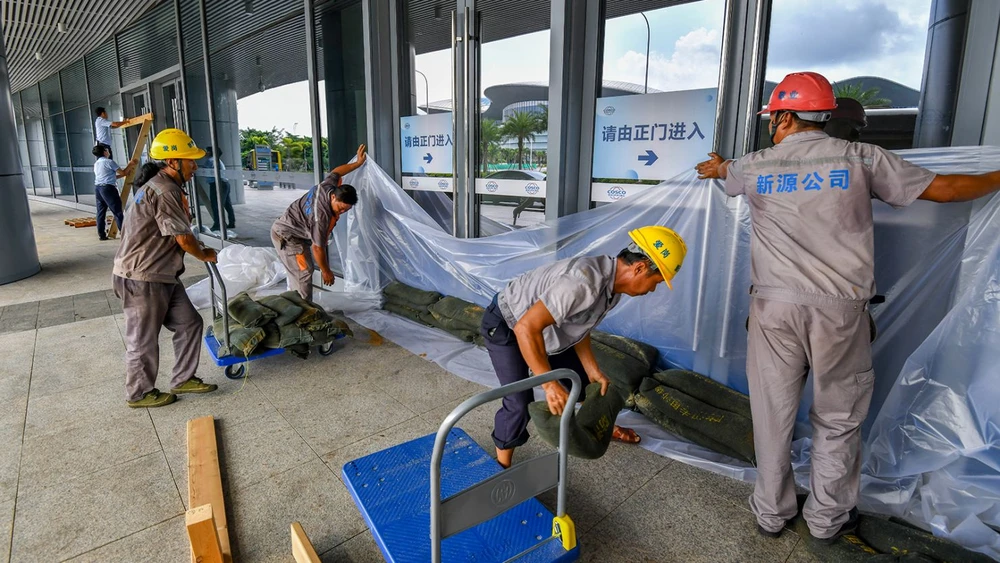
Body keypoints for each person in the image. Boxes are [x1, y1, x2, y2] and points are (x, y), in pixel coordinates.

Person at [695, 71, 1000, 544]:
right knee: (838, 420)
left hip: (774, 311)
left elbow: (724, 173)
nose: (772, 127)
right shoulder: (860, 158)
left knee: (772, 416)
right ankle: (826, 521)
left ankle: (771, 514)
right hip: (839, 314)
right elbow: (945, 189)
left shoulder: (756, 165)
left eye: (774, 118)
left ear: (786, 116)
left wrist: (718, 166)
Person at [481, 226, 687, 469]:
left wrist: (592, 369)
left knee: (585, 384)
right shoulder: (584, 283)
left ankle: (591, 427)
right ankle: (501, 467)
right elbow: (526, 328)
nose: (653, 289)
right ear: (640, 268)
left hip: (542, 329)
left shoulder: (611, 288)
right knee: (518, 403)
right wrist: (548, 384)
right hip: (508, 324)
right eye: (656, 281)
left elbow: (579, 325)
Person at [112, 128, 220, 408]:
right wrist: (204, 253)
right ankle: (139, 394)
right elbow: (183, 238)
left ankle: (183, 378)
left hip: (162, 274)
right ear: (173, 162)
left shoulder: (163, 186)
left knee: (190, 323)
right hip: (142, 277)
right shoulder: (165, 190)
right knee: (143, 339)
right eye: (190, 160)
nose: (195, 165)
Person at [271, 144, 367, 301]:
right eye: (340, 208)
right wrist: (326, 271)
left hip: (295, 229)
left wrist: (357, 163)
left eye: (346, 210)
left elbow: (337, 171)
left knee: (299, 272)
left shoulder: (328, 187)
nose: (341, 212)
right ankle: (303, 314)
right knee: (304, 273)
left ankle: (295, 302)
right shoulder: (321, 217)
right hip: (288, 236)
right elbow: (317, 248)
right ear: (334, 198)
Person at [92, 144, 137, 241]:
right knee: (117, 212)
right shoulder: (109, 162)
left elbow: (111, 176)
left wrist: (123, 175)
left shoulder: (96, 164)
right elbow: (123, 173)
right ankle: (125, 235)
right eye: (107, 150)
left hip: (98, 188)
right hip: (108, 189)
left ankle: (102, 235)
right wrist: (131, 164)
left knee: (100, 212)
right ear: (104, 152)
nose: (108, 151)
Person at [204, 146, 236, 235]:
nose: (205, 153)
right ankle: (231, 222)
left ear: (210, 152)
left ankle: (218, 224)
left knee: (216, 205)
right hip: (225, 183)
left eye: (206, 151)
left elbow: (203, 171)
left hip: (217, 184)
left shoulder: (210, 160)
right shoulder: (218, 160)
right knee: (226, 204)